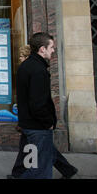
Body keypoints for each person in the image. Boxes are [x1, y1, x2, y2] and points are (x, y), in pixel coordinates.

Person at [9, 44, 78, 179]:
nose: (20, 60)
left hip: (35, 123)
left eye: (22, 56)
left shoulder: (35, 71)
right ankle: (19, 172)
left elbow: (37, 102)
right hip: (32, 122)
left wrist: (47, 122)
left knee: (39, 154)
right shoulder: (32, 70)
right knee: (36, 149)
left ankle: (20, 173)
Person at [15, 32, 61, 179]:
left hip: (29, 125)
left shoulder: (26, 66)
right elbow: (38, 103)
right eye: (51, 47)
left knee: (31, 166)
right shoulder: (38, 70)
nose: (53, 50)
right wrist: (48, 122)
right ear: (42, 49)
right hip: (38, 128)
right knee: (39, 170)